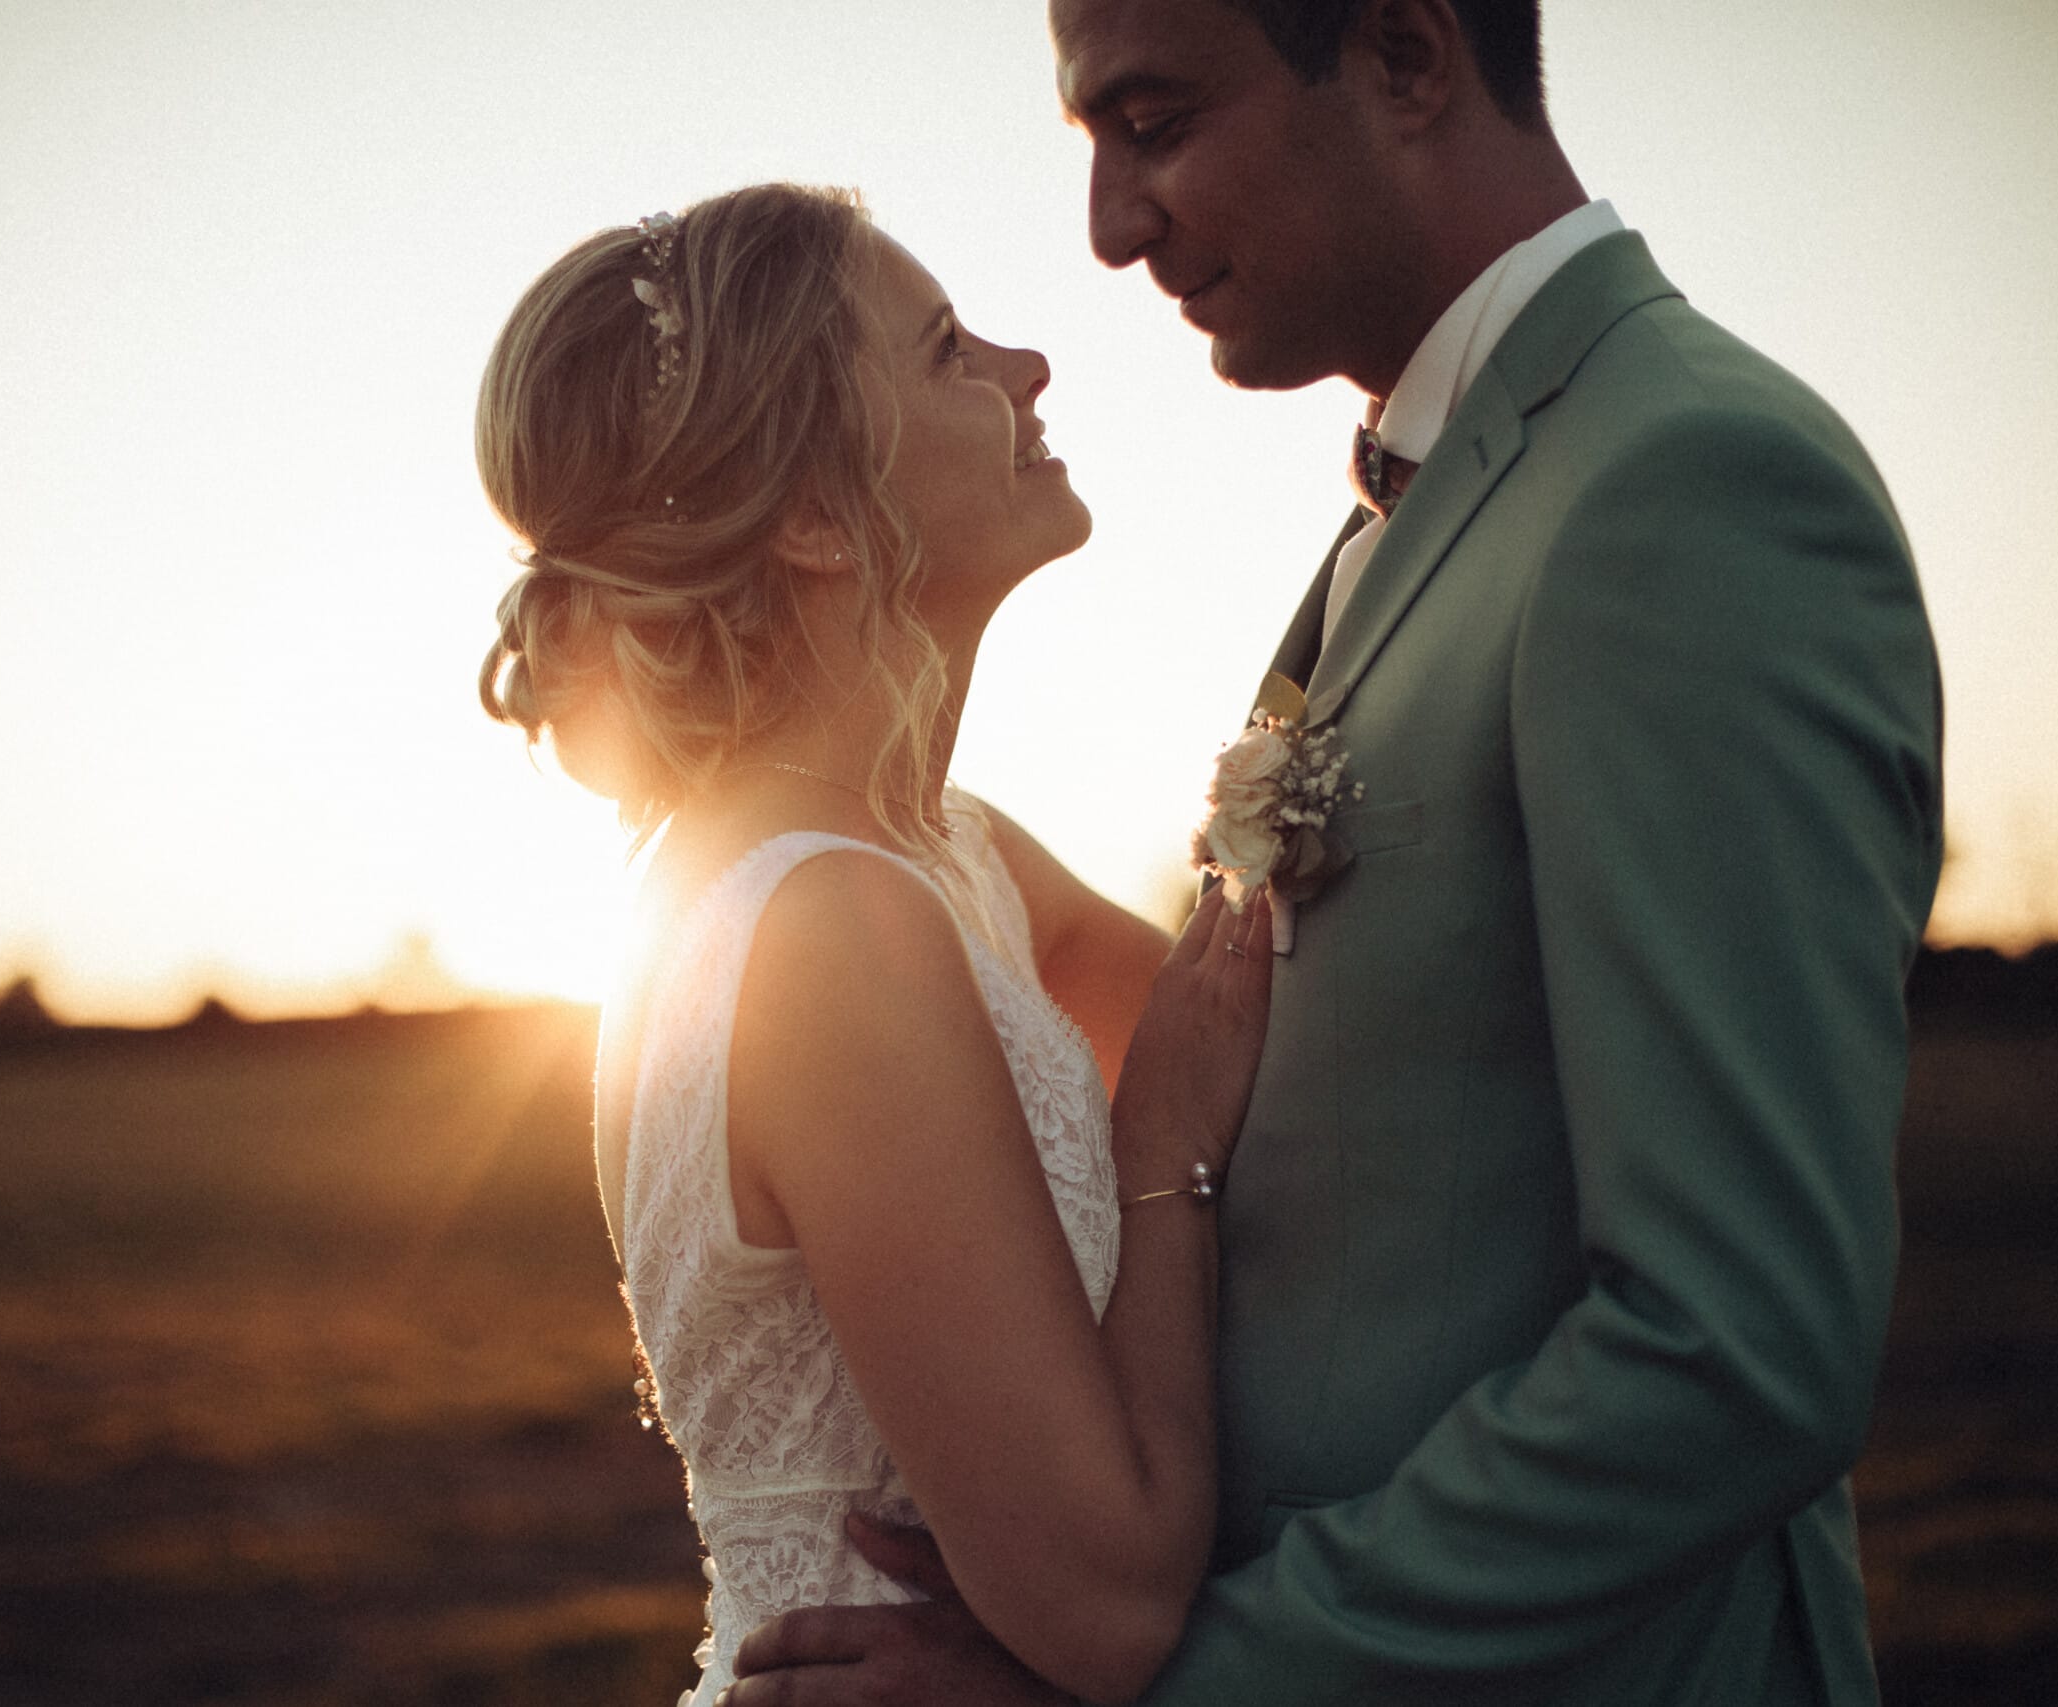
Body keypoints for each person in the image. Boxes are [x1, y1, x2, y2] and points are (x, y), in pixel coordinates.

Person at [726, 1, 1946, 1703]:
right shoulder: (1426, 508)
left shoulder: (1685, 487)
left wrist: (1182, 1683)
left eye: (1151, 122)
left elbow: (1732, 1356)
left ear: (1403, 54)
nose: (1110, 227)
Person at [476, 183, 1279, 1707]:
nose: (1026, 364)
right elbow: (1107, 1606)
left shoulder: (945, 854)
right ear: (815, 518)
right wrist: (1165, 1133)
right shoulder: (823, 932)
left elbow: (1267, 1044)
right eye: (944, 352)